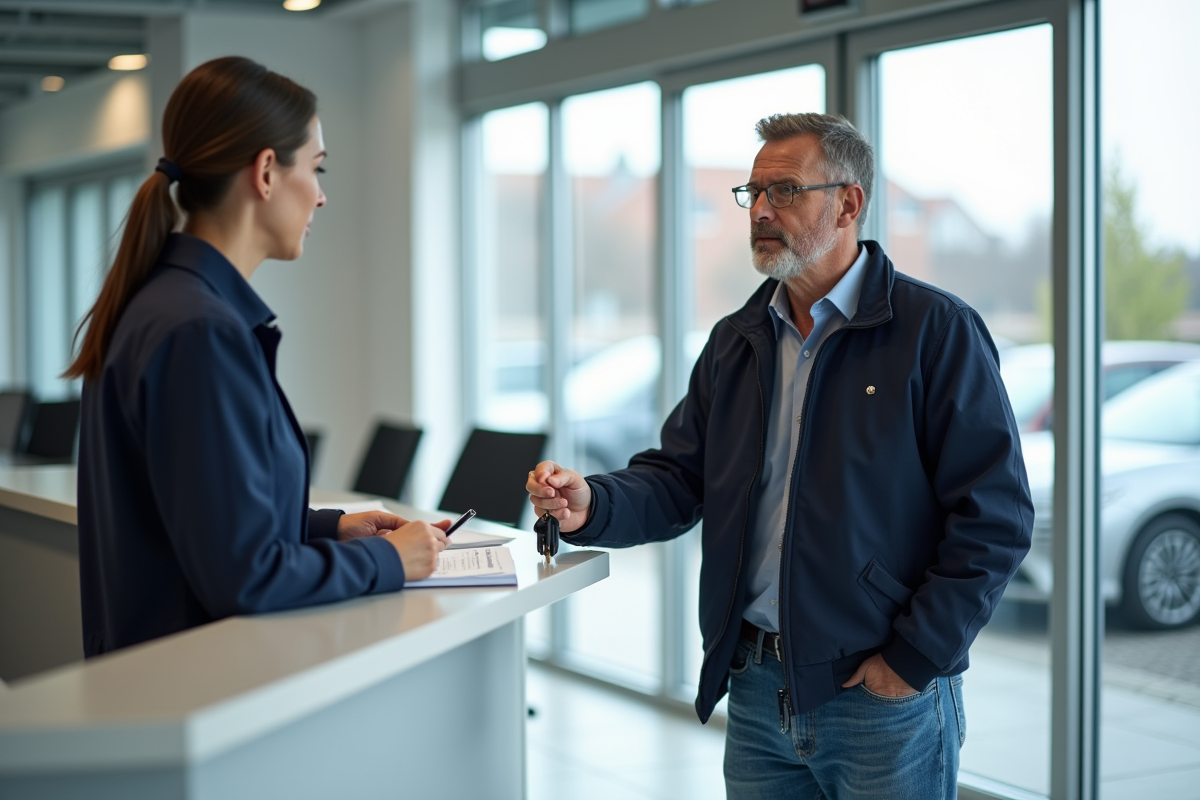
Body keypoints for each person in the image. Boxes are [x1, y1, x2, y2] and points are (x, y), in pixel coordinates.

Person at [527, 112, 1033, 799]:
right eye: (753, 193)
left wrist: (912, 659)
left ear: (848, 202)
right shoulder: (738, 338)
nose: (761, 211)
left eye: (785, 191)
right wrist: (594, 503)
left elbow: (994, 516)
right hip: (759, 691)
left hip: (878, 696)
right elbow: (680, 478)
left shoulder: (935, 332)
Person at [66, 57, 449, 658]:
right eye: (317, 169)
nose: (321, 198)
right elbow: (245, 579)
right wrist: (387, 560)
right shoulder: (199, 329)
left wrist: (331, 527)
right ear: (266, 172)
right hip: (198, 689)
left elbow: (200, 521)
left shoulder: (162, 303)